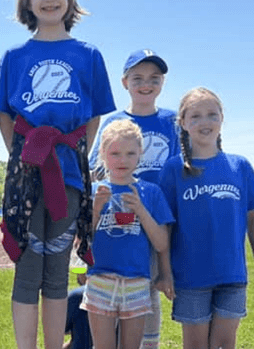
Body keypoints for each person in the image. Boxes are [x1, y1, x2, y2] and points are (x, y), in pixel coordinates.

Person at [0, 0, 116, 349]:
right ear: (27, 2)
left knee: (57, 271)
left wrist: (69, 153)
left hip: (69, 175)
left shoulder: (89, 55)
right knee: (27, 268)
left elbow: (93, 119)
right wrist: (28, 157)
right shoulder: (13, 57)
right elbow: (7, 119)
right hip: (27, 174)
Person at [158, 87, 254, 349]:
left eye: (212, 114)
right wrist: (165, 272)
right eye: (195, 116)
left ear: (222, 119)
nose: (204, 122)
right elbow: (165, 227)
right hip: (190, 276)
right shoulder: (174, 169)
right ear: (183, 123)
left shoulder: (239, 166)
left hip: (232, 274)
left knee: (224, 344)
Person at [88, 49, 178, 349]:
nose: (146, 84)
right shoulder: (113, 121)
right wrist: (97, 202)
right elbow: (94, 169)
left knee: (146, 296)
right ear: (125, 82)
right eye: (137, 78)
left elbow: (183, 166)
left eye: (154, 78)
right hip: (113, 229)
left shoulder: (171, 121)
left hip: (154, 215)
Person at [85, 120, 171, 349]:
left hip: (137, 282)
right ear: (103, 153)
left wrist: (141, 210)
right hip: (100, 280)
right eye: (115, 153)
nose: (122, 160)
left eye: (130, 153)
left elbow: (162, 243)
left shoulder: (150, 192)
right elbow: (81, 241)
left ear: (140, 154)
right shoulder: (94, 191)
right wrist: (96, 208)